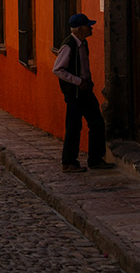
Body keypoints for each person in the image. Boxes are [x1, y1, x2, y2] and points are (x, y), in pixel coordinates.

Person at [52, 13, 115, 173]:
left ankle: (95, 159)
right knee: (74, 126)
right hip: (75, 93)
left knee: (97, 123)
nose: (91, 27)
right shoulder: (69, 45)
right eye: (88, 25)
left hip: (85, 91)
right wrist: (78, 81)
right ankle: (68, 162)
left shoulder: (82, 43)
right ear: (80, 29)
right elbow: (58, 69)